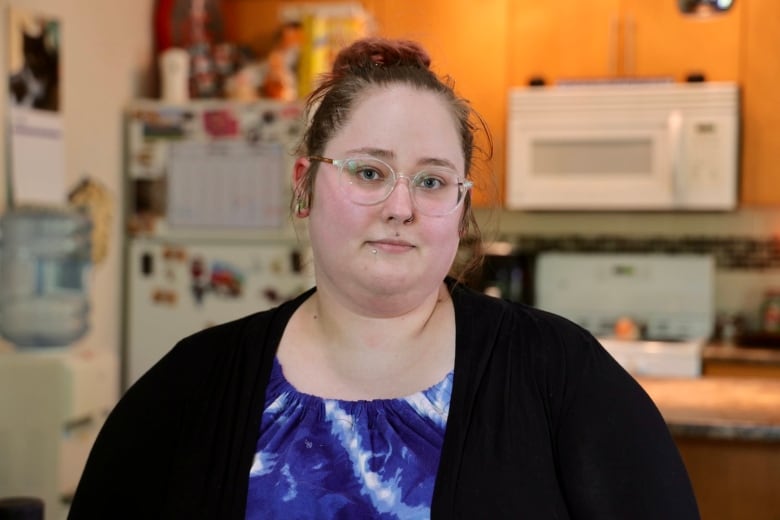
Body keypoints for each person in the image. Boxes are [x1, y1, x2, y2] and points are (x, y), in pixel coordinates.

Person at [68, 37, 700, 519]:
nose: (401, 206)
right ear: (305, 186)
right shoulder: (193, 383)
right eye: (369, 172)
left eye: (431, 180)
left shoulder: (562, 376)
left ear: (461, 207)